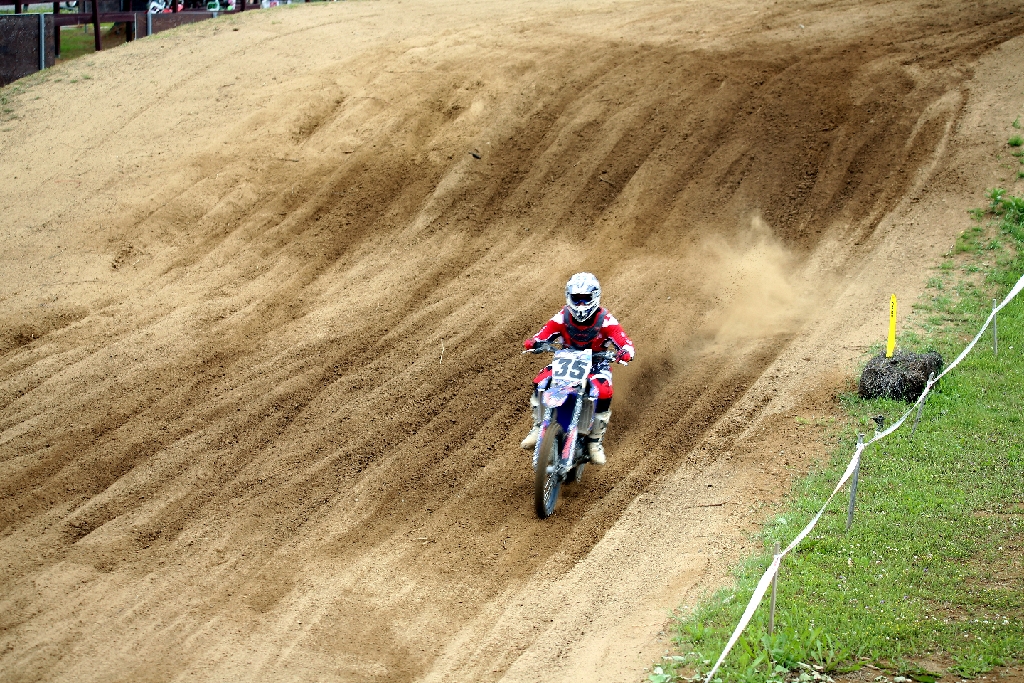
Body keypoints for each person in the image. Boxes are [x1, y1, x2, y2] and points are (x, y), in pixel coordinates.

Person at [521, 272, 634, 465]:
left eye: (586, 299)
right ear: (569, 297)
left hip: (596, 365)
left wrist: (625, 352)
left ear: (595, 297)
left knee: (604, 391)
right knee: (541, 380)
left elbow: (625, 342)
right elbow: (543, 334)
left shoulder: (606, 321)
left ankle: (594, 441)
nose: (581, 304)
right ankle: (538, 426)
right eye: (576, 299)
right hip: (565, 361)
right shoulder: (562, 317)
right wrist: (535, 342)